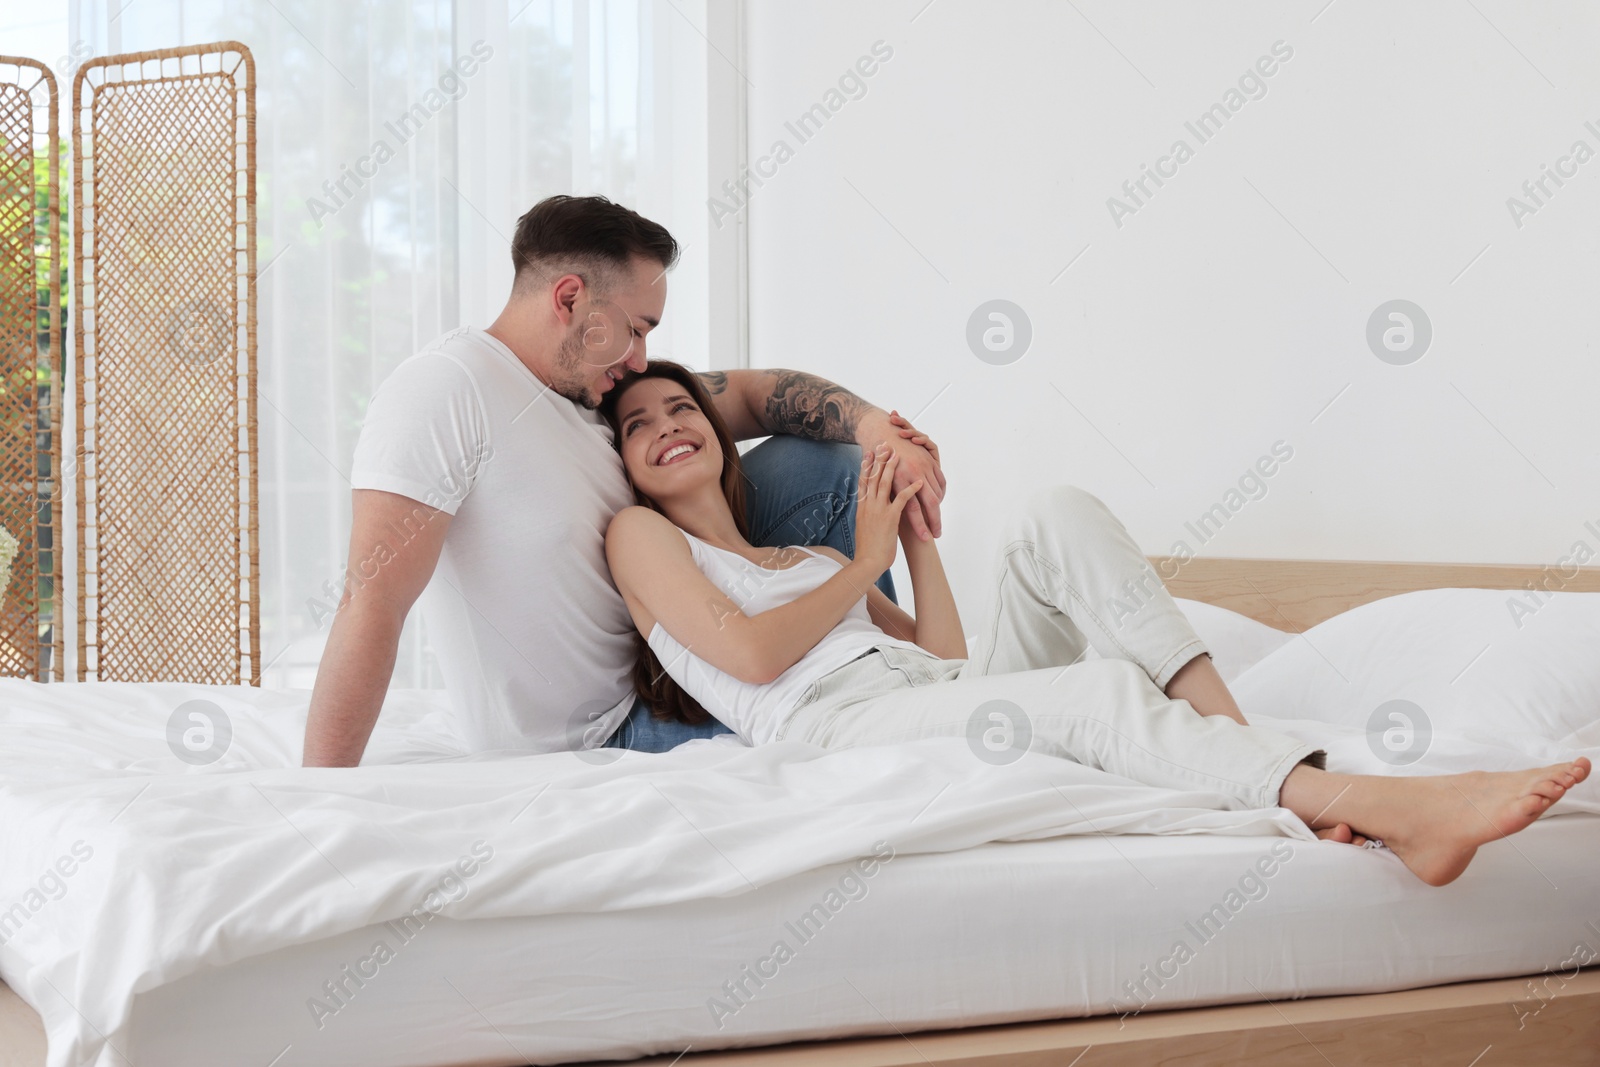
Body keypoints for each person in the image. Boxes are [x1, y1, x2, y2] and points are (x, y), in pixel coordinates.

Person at [599, 360, 1590, 887]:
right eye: (638, 424)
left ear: (720, 442)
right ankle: (1383, 803)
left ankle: (1242, 752)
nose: (665, 424)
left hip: (918, 694)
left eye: (679, 406)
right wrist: (864, 559)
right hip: (825, 722)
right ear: (628, 466)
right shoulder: (641, 537)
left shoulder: (804, 559)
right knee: (1095, 691)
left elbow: (944, 661)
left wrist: (914, 535)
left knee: (1052, 511)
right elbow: (752, 652)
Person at [302, 195, 944, 766]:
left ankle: (883, 679)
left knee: (830, 467)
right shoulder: (448, 389)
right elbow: (371, 600)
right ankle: (875, 718)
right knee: (827, 487)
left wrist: (878, 433)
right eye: (636, 330)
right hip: (605, 731)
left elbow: (752, 394)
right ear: (570, 298)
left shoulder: (598, 398)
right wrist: (320, 803)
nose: (640, 357)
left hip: (680, 658)